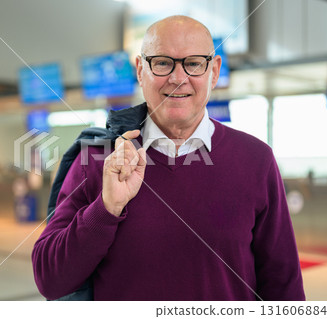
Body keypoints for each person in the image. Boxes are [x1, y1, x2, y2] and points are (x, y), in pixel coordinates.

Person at [32, 15, 305, 301]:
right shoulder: (98, 159)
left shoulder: (256, 160)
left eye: (194, 63)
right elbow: (50, 280)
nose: (178, 78)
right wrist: (106, 208)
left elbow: (283, 285)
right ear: (140, 70)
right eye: (162, 62)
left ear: (213, 71)